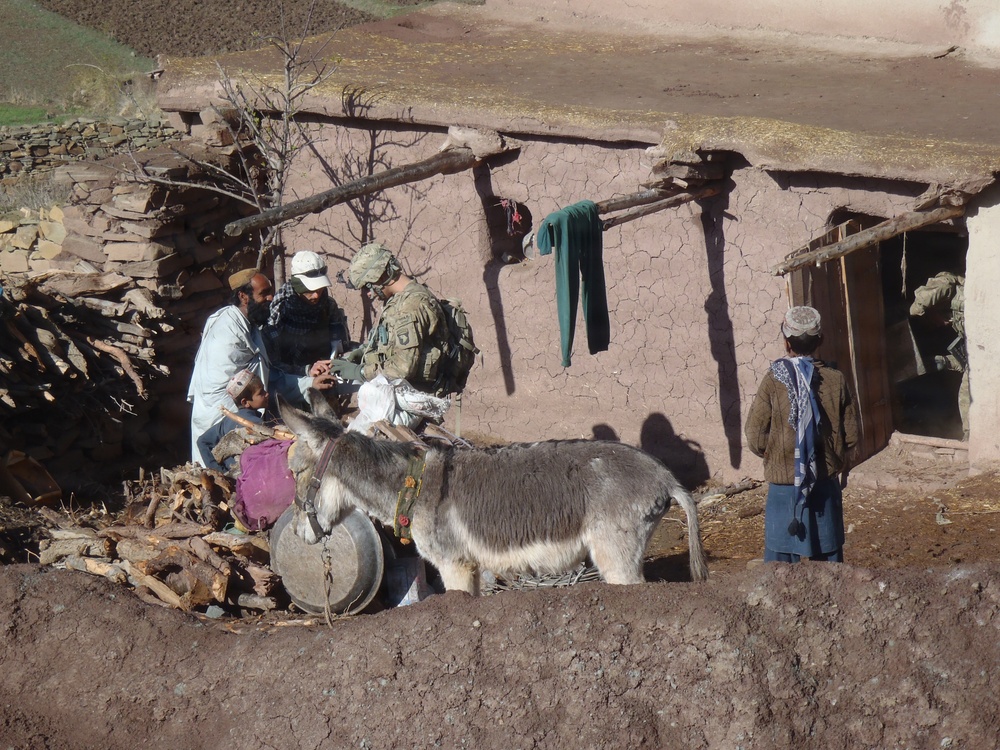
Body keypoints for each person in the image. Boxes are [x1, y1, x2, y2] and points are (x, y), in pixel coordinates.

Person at [745, 306, 858, 564]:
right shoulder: (836, 379)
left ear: (786, 342)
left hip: (784, 490)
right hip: (823, 486)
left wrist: (778, 454)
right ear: (821, 340)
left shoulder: (773, 380)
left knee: (778, 572)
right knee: (829, 570)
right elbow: (851, 435)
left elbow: (754, 435)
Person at [187, 267, 334, 467]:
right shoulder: (227, 336)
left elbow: (265, 377)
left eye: (270, 291)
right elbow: (235, 394)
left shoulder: (248, 325)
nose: (271, 297)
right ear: (243, 296)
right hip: (221, 423)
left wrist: (309, 381)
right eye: (264, 293)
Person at [329, 242, 449, 394]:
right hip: (406, 389)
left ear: (379, 275)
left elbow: (403, 368)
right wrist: (362, 353)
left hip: (419, 394)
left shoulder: (410, 307)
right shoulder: (401, 299)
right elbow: (392, 345)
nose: (369, 294)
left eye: (368, 286)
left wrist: (360, 372)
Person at [263, 250, 350, 384]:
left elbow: (341, 344)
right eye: (310, 290)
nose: (316, 296)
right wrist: (307, 371)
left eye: (319, 289)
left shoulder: (328, 306)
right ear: (298, 286)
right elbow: (273, 364)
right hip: (291, 381)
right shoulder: (279, 312)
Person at [909, 270, 968, 440]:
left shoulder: (953, 292)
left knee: (967, 390)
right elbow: (971, 363)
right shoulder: (955, 320)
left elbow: (944, 282)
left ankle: (971, 436)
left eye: (931, 322)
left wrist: (916, 310)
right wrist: (946, 362)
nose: (939, 326)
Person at [196, 369, 274, 472]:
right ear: (245, 402)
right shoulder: (257, 424)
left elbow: (202, 441)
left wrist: (219, 471)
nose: (266, 394)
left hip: (233, 478)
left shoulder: (227, 421)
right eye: (261, 393)